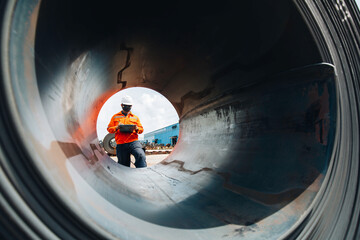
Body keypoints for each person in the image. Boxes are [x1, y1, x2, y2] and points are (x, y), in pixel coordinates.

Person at [107, 95, 147, 168]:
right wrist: (117, 127)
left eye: (129, 106)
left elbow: (141, 129)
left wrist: (137, 128)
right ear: (122, 105)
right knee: (123, 165)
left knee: (140, 155)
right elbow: (109, 129)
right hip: (121, 143)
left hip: (133, 141)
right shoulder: (115, 116)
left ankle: (142, 172)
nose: (128, 107)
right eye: (126, 106)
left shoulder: (135, 117)